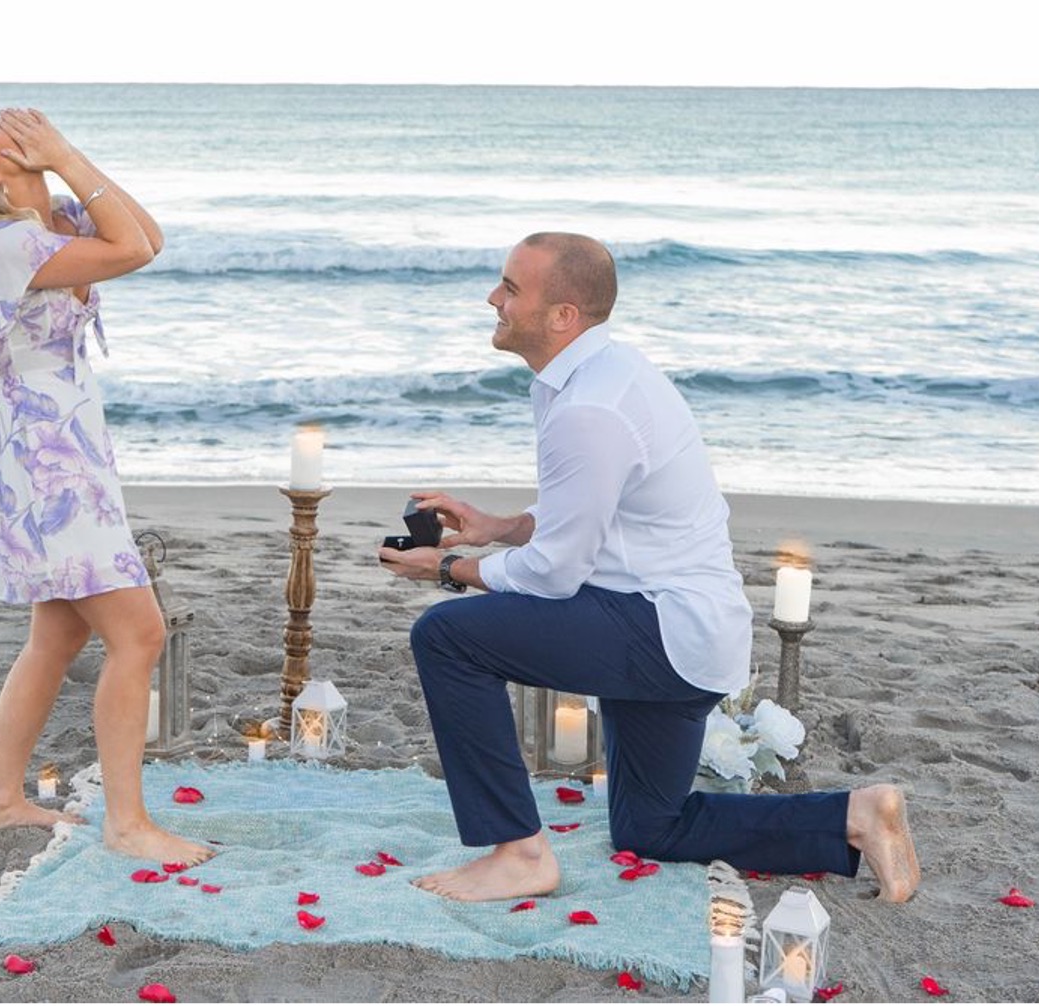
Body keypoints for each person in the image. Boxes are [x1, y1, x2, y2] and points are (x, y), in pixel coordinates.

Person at [378, 232, 918, 903]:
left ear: (563, 315)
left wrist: (450, 568)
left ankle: (519, 851)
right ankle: (854, 815)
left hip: (660, 628)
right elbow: (588, 516)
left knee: (448, 638)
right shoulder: (594, 377)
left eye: (511, 288)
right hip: (681, 632)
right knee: (651, 828)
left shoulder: (589, 408)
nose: (493, 297)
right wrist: (497, 528)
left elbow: (552, 576)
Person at [0, 108, 211, 866]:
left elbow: (148, 237)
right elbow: (131, 252)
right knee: (139, 633)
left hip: (65, 443)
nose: (5, 119)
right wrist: (66, 154)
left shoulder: (54, 222)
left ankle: (1, 800)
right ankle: (127, 824)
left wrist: (64, 167)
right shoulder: (4, 244)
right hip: (49, 459)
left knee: (56, 635)